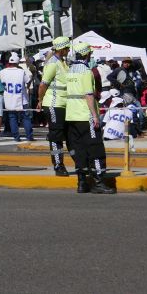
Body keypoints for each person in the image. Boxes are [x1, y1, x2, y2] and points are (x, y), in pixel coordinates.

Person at [64, 42, 114, 194]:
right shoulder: (86, 72)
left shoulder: (70, 71)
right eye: (90, 54)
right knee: (95, 148)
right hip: (85, 115)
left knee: (79, 149)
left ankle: (82, 182)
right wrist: (95, 116)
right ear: (86, 54)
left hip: (71, 116)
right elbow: (88, 95)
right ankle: (98, 181)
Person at [36, 36, 73, 177]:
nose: (69, 50)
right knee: (56, 136)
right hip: (53, 104)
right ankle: (58, 165)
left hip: (64, 104)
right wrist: (40, 100)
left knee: (68, 135)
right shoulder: (52, 63)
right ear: (62, 49)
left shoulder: (63, 62)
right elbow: (43, 84)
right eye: (67, 48)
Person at [0, 53, 33, 142]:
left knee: (12, 118)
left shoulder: (2, 72)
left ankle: (16, 137)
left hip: (10, 98)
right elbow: (28, 81)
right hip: (22, 98)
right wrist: (27, 87)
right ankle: (29, 136)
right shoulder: (21, 72)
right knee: (26, 118)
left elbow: (3, 83)